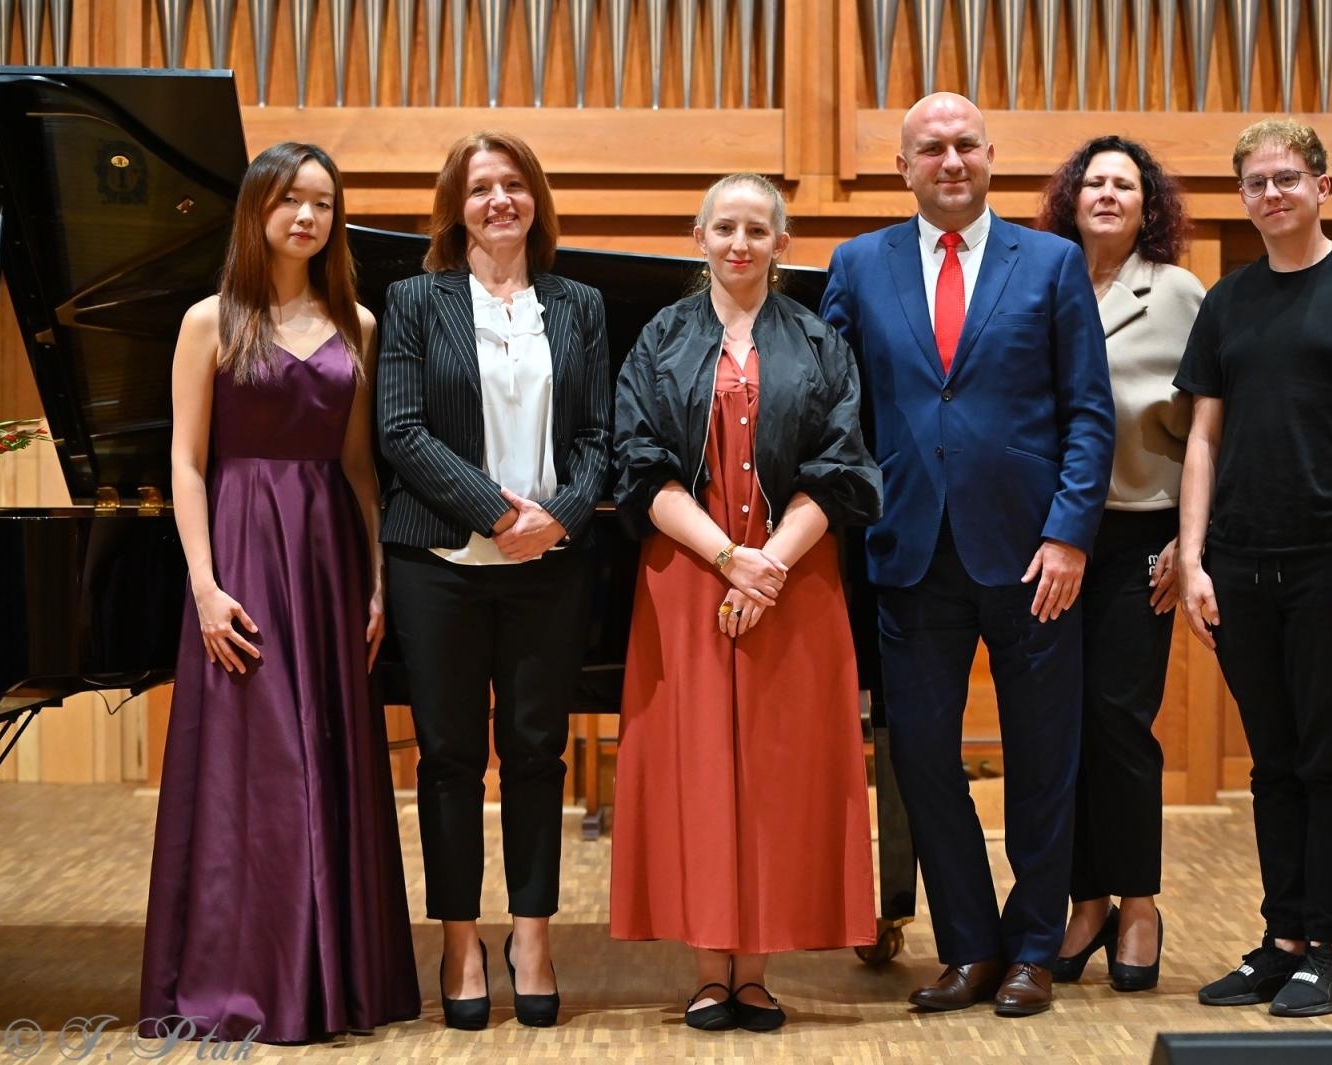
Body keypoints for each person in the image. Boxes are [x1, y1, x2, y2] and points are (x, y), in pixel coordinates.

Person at [821, 93, 1114, 1018]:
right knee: (921, 758)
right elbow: (833, 406)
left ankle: (1033, 946)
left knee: (1042, 757)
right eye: (930, 149)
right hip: (905, 552)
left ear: (991, 156)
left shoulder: (1054, 263)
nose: (950, 161)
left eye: (965, 146)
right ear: (903, 167)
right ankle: (969, 945)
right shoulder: (857, 264)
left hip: (1033, 556)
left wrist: (1069, 532)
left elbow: (1089, 413)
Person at [140, 142, 420, 1044]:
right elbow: (186, 462)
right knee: (254, 770)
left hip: (328, 554)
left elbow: (357, 466)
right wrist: (204, 585)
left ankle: (335, 980)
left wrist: (377, 573)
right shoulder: (207, 319)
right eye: (291, 200)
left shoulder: (360, 325)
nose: (308, 216)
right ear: (257, 208)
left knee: (326, 756)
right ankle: (246, 980)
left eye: (324, 204)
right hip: (242, 553)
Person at [610, 172, 881, 1033]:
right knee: (695, 766)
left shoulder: (818, 339)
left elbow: (842, 466)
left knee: (775, 768)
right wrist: (730, 557)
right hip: (691, 570)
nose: (739, 243)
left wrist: (769, 564)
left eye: (756, 230)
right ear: (700, 238)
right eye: (723, 227)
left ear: (781, 244)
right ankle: (706, 966)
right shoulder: (660, 336)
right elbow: (637, 466)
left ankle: (755, 970)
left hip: (794, 576)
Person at [1177, 118, 1332, 1017]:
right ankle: (1281, 939)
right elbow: (1202, 440)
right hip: (1238, 563)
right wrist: (1194, 556)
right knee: (1271, 760)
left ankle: (1329, 945)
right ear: (1241, 198)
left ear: (1323, 186)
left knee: (1327, 756)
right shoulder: (1227, 301)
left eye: (1287, 177)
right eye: (1255, 182)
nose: (1271, 193)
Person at [377, 131, 611, 1030]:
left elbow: (598, 435)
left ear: (537, 200)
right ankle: (460, 939)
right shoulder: (413, 300)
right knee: (447, 759)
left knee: (537, 754)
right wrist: (496, 512)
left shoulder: (578, 303)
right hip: (438, 563)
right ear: (455, 206)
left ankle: (534, 934)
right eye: (481, 188)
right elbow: (399, 430)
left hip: (549, 564)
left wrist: (559, 514)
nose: (500, 200)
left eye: (515, 184)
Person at [1033, 135, 1204, 993]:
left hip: (1142, 537)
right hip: (1053, 540)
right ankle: (1086, 899)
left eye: (1124, 184)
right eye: (1093, 181)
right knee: (1064, 727)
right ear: (1070, 198)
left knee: (1119, 722)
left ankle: (1139, 901)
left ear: (1148, 205)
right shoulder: (1041, 279)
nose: (1106, 194)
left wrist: (1191, 540)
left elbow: (1217, 428)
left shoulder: (1176, 293)